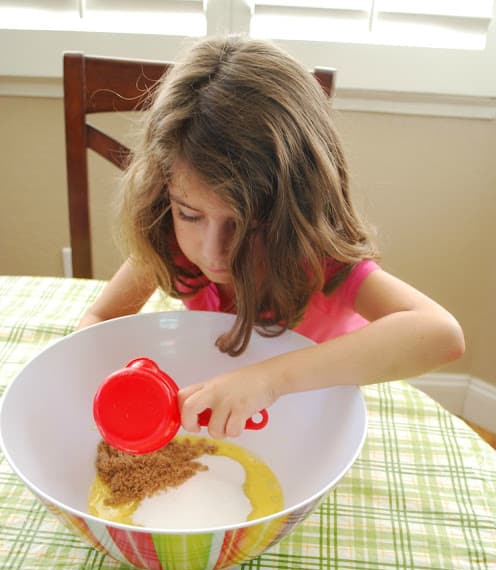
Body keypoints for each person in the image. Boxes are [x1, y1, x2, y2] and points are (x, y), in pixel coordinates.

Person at [78, 35, 465, 440]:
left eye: (247, 225)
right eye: (190, 214)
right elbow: (100, 319)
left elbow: (442, 334)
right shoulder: (172, 242)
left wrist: (269, 380)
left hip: (311, 426)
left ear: (297, 209)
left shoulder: (319, 263)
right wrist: (125, 385)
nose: (213, 253)